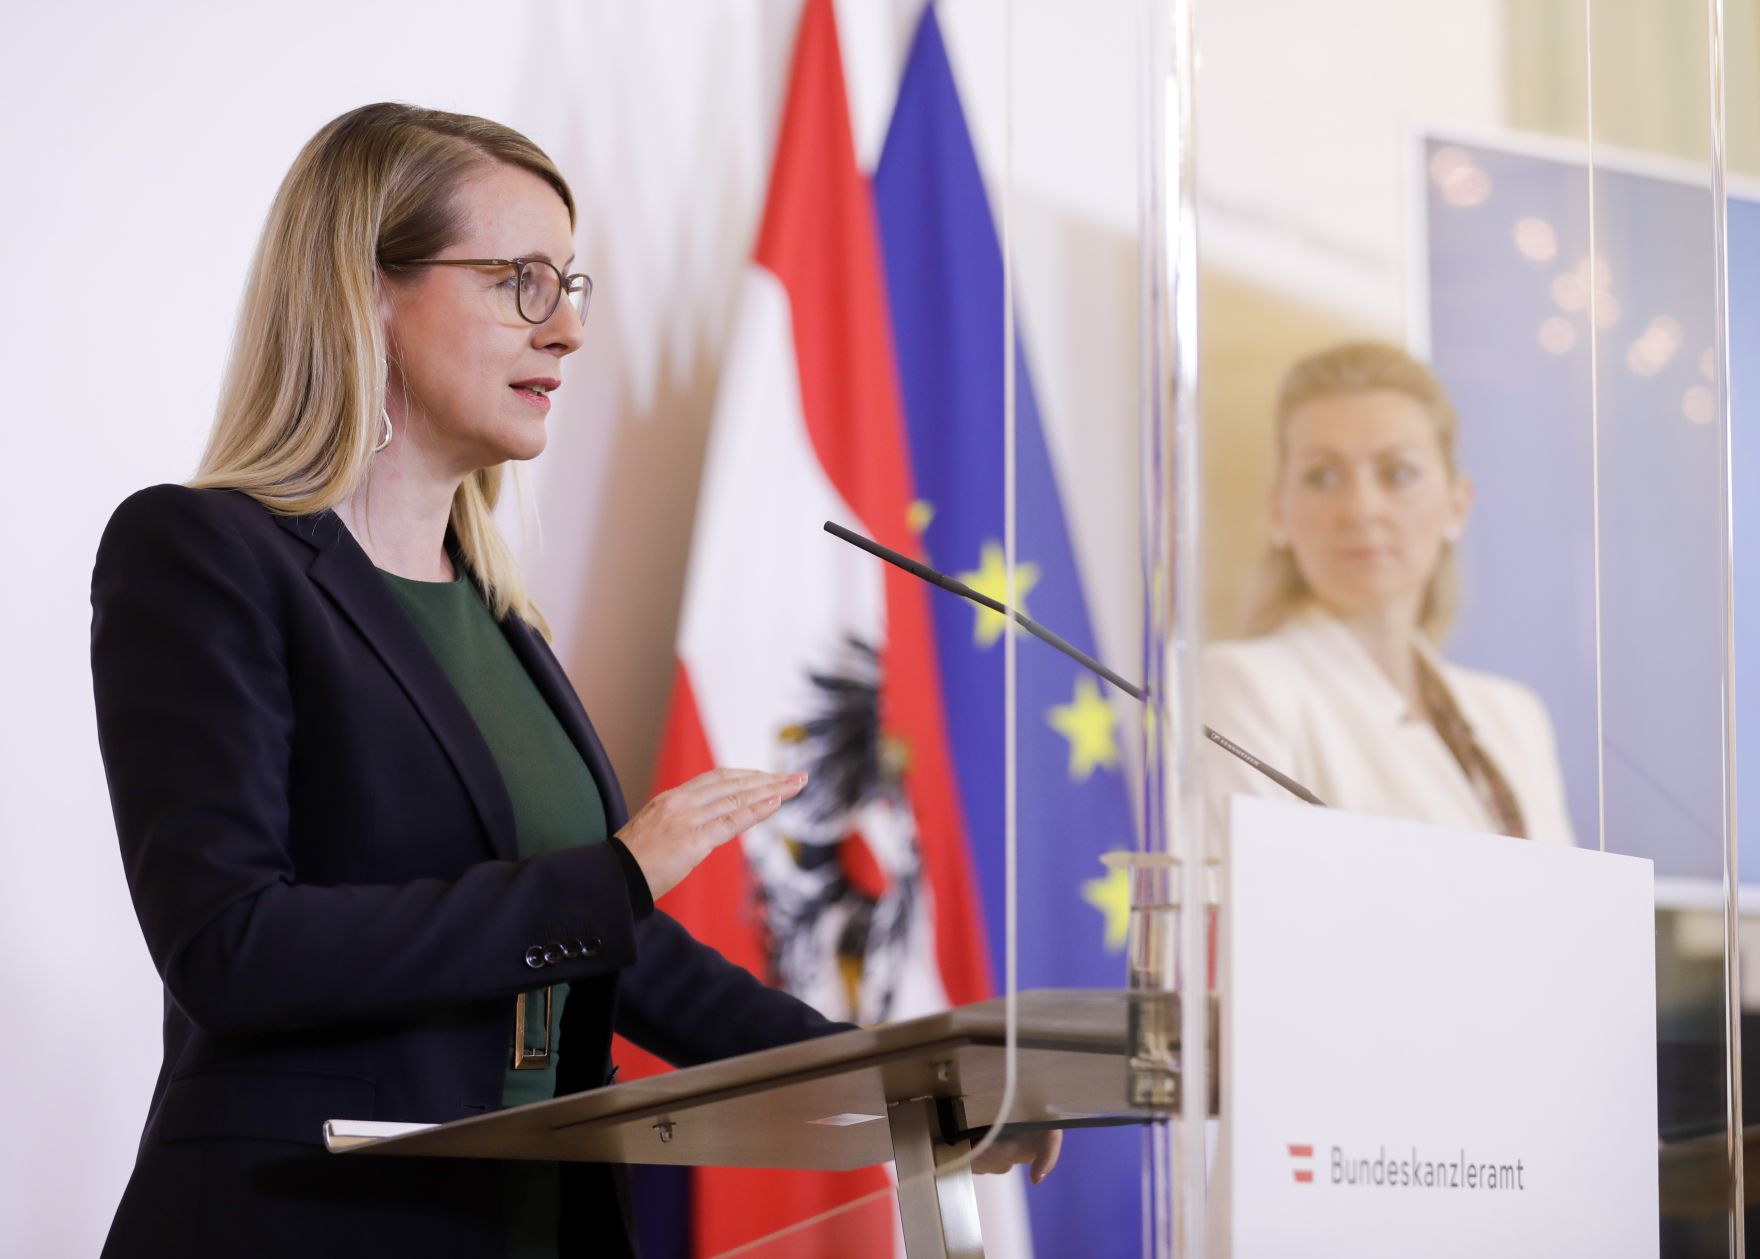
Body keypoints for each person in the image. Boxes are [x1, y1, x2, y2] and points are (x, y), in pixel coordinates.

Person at [91, 102, 1056, 1259]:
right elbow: (230, 943)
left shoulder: (502, 619)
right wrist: (615, 876)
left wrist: (912, 1080)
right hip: (303, 1220)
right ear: (366, 289)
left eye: (571, 283)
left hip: (529, 1225)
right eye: (519, 281)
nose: (566, 331)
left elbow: (622, 948)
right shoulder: (202, 555)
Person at [1202, 340, 1575, 847]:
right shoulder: (1243, 689)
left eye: (1398, 474)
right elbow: (1243, 914)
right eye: (1323, 476)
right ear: (1279, 511)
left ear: (1457, 505)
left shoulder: (1514, 717)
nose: (1361, 508)